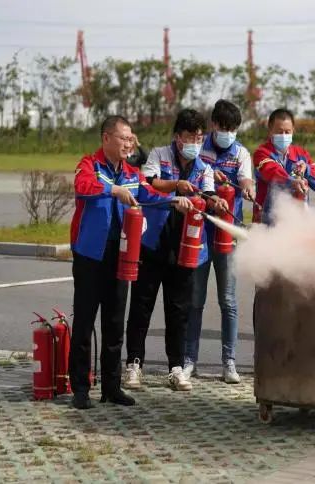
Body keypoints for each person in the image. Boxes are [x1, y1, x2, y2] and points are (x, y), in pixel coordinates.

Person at [69, 115, 191, 410]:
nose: (129, 144)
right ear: (106, 138)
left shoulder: (131, 173)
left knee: (114, 322)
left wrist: (173, 199)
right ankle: (80, 389)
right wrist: (113, 190)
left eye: (131, 139)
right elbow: (83, 186)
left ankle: (111, 387)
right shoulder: (89, 165)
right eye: (123, 138)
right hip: (90, 255)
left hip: (121, 255)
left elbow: (149, 193)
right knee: (84, 321)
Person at [123, 108, 229, 392]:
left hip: (185, 250)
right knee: (141, 306)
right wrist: (175, 190)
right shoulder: (159, 156)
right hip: (153, 245)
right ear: (178, 137)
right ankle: (134, 364)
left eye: (199, 137)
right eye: (189, 136)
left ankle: (176, 367)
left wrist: (216, 202)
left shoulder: (204, 167)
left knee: (179, 310)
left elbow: (206, 195)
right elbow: (146, 185)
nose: (195, 142)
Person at [182, 100, 255, 384]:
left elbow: (246, 181)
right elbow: (189, 176)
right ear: (213, 125)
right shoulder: (200, 148)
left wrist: (246, 188)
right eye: (223, 127)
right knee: (195, 300)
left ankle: (229, 362)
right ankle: (189, 361)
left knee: (228, 301)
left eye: (233, 129)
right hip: (200, 234)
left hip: (227, 237)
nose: (228, 133)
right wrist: (211, 175)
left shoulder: (241, 153)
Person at [253, 108, 315, 225]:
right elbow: (271, 171)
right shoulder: (261, 153)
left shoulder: (301, 153)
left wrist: (306, 169)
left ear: (293, 131)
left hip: (297, 222)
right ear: (270, 131)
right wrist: (291, 181)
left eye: (287, 132)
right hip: (267, 221)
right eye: (279, 132)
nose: (283, 135)